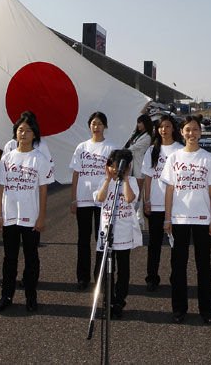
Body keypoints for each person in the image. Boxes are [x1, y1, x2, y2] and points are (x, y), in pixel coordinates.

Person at [161, 115, 211, 324]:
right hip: (179, 220)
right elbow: (169, 191)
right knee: (178, 266)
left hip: (203, 219)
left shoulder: (209, 159)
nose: (191, 134)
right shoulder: (174, 158)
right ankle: (179, 309)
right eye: (188, 130)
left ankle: (207, 311)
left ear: (200, 132)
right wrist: (167, 219)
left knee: (203, 266)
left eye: (195, 130)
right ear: (182, 132)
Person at [0, 111, 54, 312]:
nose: (24, 134)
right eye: (20, 130)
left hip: (31, 217)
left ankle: (31, 296)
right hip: (9, 216)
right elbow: (1, 187)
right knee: (9, 258)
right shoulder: (7, 157)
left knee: (31, 258)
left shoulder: (40, 159)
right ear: (15, 133)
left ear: (35, 135)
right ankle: (6, 295)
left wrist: (42, 217)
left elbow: (44, 189)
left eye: (28, 131)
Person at [69, 112, 117, 290]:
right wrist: (73, 198)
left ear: (105, 126)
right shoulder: (82, 147)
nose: (96, 127)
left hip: (103, 200)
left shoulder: (111, 147)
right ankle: (82, 277)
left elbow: (115, 175)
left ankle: (100, 275)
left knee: (101, 238)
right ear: (89, 126)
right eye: (93, 124)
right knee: (83, 238)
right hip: (83, 199)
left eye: (99, 124)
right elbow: (76, 173)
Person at [94, 149, 141, 318]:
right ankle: (108, 300)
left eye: (118, 167)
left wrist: (126, 178)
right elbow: (100, 199)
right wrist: (108, 179)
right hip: (106, 234)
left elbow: (130, 199)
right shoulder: (103, 181)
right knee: (102, 270)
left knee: (122, 270)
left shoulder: (132, 182)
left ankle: (119, 301)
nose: (115, 170)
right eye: (112, 166)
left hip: (123, 234)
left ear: (127, 167)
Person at [141, 115, 183, 292]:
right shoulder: (152, 150)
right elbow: (148, 177)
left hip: (177, 206)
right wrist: (147, 200)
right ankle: (152, 277)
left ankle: (176, 277)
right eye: (160, 127)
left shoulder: (180, 149)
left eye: (167, 126)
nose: (164, 130)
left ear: (173, 128)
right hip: (156, 204)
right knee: (154, 244)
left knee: (177, 245)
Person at [124, 114, 154, 232]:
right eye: (138, 122)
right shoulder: (137, 134)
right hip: (133, 166)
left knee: (138, 195)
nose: (138, 125)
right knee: (136, 195)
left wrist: (121, 150)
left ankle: (138, 220)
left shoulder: (147, 137)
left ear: (145, 123)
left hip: (140, 168)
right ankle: (137, 220)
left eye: (140, 122)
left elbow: (133, 148)